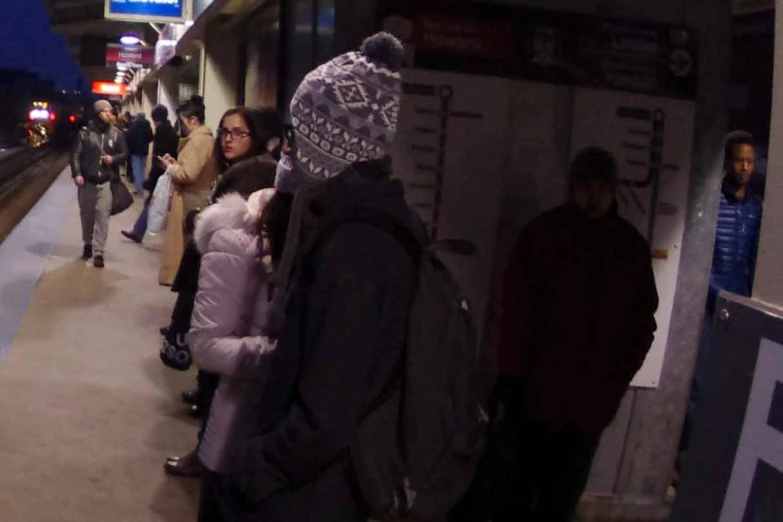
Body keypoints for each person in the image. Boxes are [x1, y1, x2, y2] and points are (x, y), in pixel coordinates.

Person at [218, 32, 417, 522]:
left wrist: (251, 471)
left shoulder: (359, 250)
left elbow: (325, 417)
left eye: (300, 135)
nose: (288, 148)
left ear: (331, 146)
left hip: (310, 497)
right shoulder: (355, 228)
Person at [454, 147, 659, 522]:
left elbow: (641, 324)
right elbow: (516, 311)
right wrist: (514, 380)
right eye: (585, 186)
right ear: (572, 187)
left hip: (589, 405)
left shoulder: (628, 248)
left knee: (561, 497)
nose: (593, 196)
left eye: (601, 187)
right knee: (516, 490)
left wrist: (613, 383)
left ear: (613, 190)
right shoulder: (545, 235)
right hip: (536, 398)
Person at [161, 107, 284, 480]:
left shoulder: (256, 174)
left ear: (258, 136)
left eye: (239, 132)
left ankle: (207, 454)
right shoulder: (242, 170)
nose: (228, 139)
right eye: (225, 131)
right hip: (221, 280)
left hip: (234, 289)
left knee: (223, 380)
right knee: (216, 378)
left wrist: (202, 222)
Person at [678, 130, 763, 476]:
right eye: (739, 160)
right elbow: (700, 259)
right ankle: (687, 460)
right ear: (727, 161)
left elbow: (755, 260)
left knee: (732, 387)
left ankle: (716, 461)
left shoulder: (756, 208)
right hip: (710, 307)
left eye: (749, 161)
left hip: (739, 308)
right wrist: (717, 297)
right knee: (699, 384)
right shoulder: (712, 203)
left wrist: (747, 301)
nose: (744, 167)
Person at [158, 95, 216, 286]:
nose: (180, 127)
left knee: (185, 248)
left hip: (191, 200)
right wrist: (175, 164)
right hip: (193, 197)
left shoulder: (199, 141)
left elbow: (189, 174)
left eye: (182, 122)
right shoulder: (203, 140)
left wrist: (171, 168)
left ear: (192, 120)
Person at [70, 99, 128, 268]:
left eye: (110, 111)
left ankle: (99, 252)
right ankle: (87, 243)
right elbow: (75, 155)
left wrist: (114, 159)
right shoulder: (84, 133)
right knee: (87, 216)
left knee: (103, 217)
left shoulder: (116, 133)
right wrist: (77, 173)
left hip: (106, 183)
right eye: (104, 111)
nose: (108, 114)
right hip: (87, 183)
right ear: (97, 114)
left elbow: (124, 153)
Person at [121, 105, 180, 243]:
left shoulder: (162, 132)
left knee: (154, 203)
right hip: (163, 172)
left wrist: (153, 175)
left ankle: (139, 231)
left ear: (156, 119)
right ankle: (138, 231)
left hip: (161, 174)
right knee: (153, 203)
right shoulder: (170, 131)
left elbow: (159, 156)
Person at [125, 112, 154, 196]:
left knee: (136, 170)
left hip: (135, 151)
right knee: (142, 170)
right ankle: (141, 186)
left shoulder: (134, 126)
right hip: (144, 151)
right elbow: (151, 137)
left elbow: (128, 137)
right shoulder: (148, 126)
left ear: (137, 117)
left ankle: (139, 190)